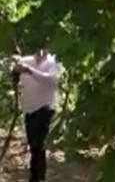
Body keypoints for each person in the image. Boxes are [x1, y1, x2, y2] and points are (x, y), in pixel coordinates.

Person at [12, 41, 60, 182]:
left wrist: (29, 70)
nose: (40, 53)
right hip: (30, 109)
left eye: (43, 49)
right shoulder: (28, 61)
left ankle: (37, 178)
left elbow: (50, 80)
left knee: (38, 145)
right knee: (34, 146)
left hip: (44, 109)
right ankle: (36, 176)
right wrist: (16, 67)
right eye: (37, 49)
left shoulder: (53, 63)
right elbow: (16, 67)